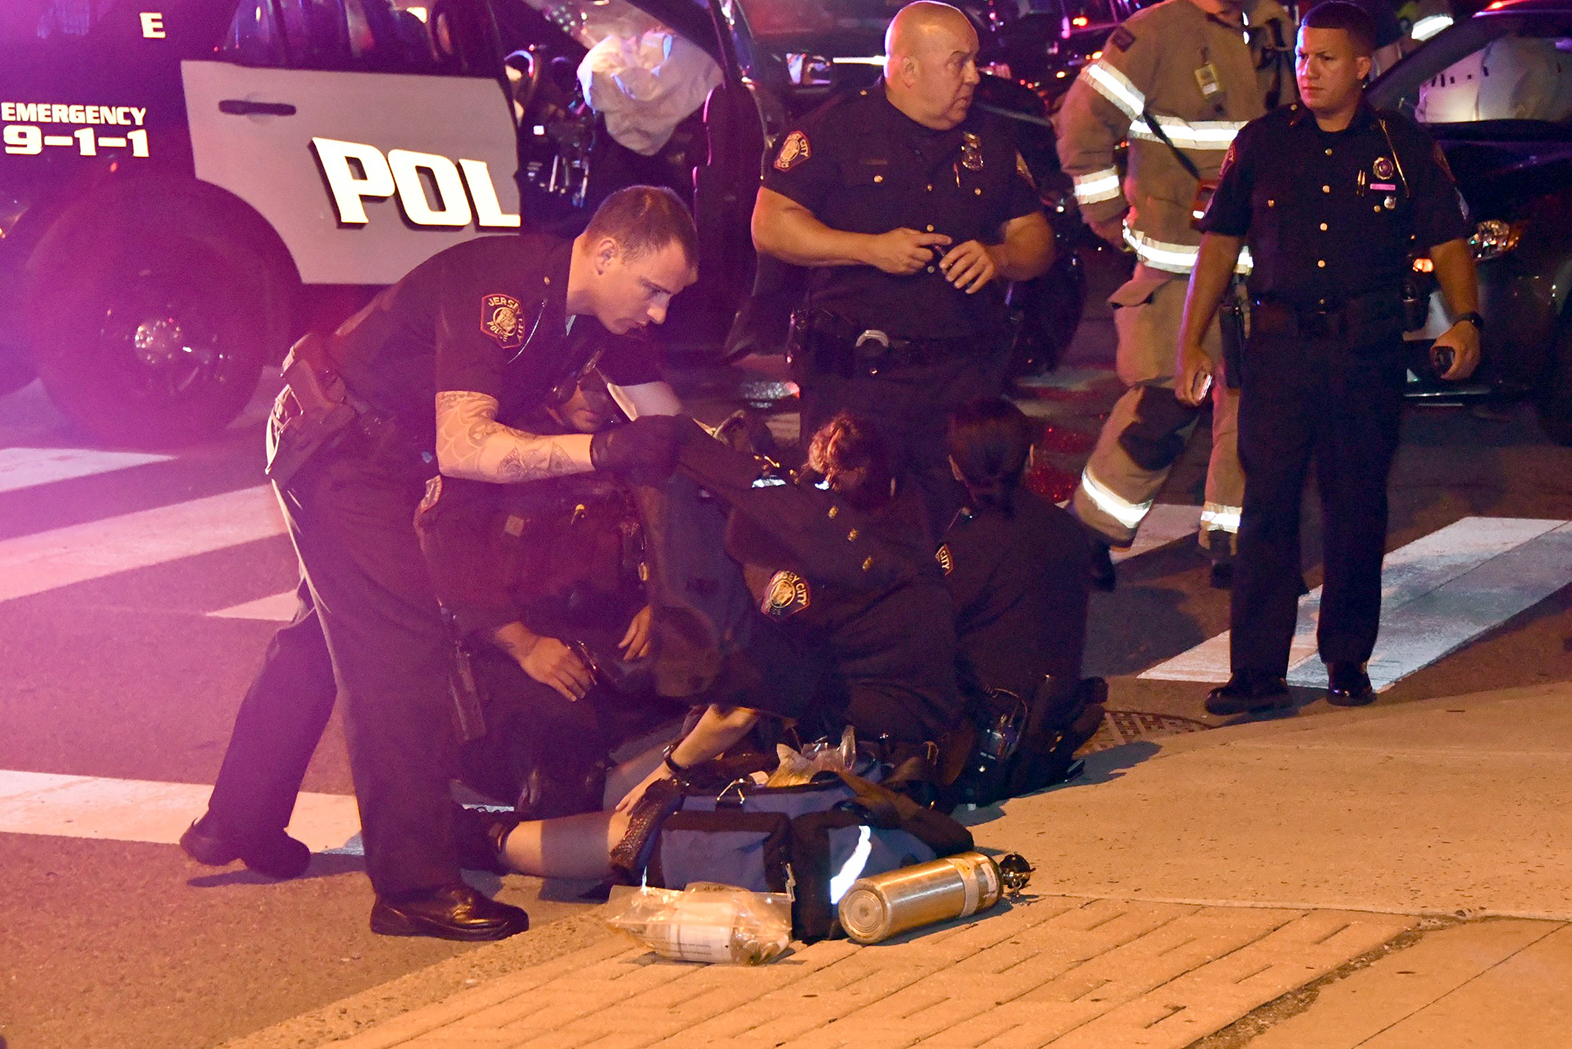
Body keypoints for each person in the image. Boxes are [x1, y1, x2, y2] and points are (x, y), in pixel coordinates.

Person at [180, 186, 697, 940]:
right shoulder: (507, 291)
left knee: (326, 636)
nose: (658, 313)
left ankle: (236, 819)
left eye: (670, 299)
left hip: (381, 455)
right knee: (402, 650)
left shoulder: (597, 318)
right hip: (339, 447)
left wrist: (759, 479)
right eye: (653, 290)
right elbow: (468, 445)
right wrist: (600, 448)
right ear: (607, 252)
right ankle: (413, 886)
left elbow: (673, 426)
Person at [1176, 1, 1481, 715]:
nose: (1307, 72)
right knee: (1267, 511)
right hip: (1279, 350)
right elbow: (1219, 244)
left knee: (1355, 509)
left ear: (1363, 66)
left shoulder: (1401, 146)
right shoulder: (1262, 143)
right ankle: (1256, 672)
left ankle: (1346, 658)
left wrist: (1465, 320)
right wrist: (1190, 339)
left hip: (1364, 351)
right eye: (1303, 57)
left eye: (1325, 59)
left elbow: (1448, 240)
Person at [750, 0, 1054, 532]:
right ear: (908, 69)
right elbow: (770, 226)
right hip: (858, 380)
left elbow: (1036, 238)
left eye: (974, 61)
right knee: (846, 532)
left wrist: (999, 256)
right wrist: (868, 248)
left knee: (959, 535)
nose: (974, 76)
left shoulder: (988, 142)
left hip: (960, 383)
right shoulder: (835, 131)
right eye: (958, 62)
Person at [1055, 0, 1295, 589]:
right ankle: (1085, 535)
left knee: (1255, 405)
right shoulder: (1154, 34)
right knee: (1162, 405)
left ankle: (1236, 544)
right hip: (1179, 266)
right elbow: (1082, 127)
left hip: (1262, 264)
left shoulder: (1277, 25)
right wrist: (1111, 217)